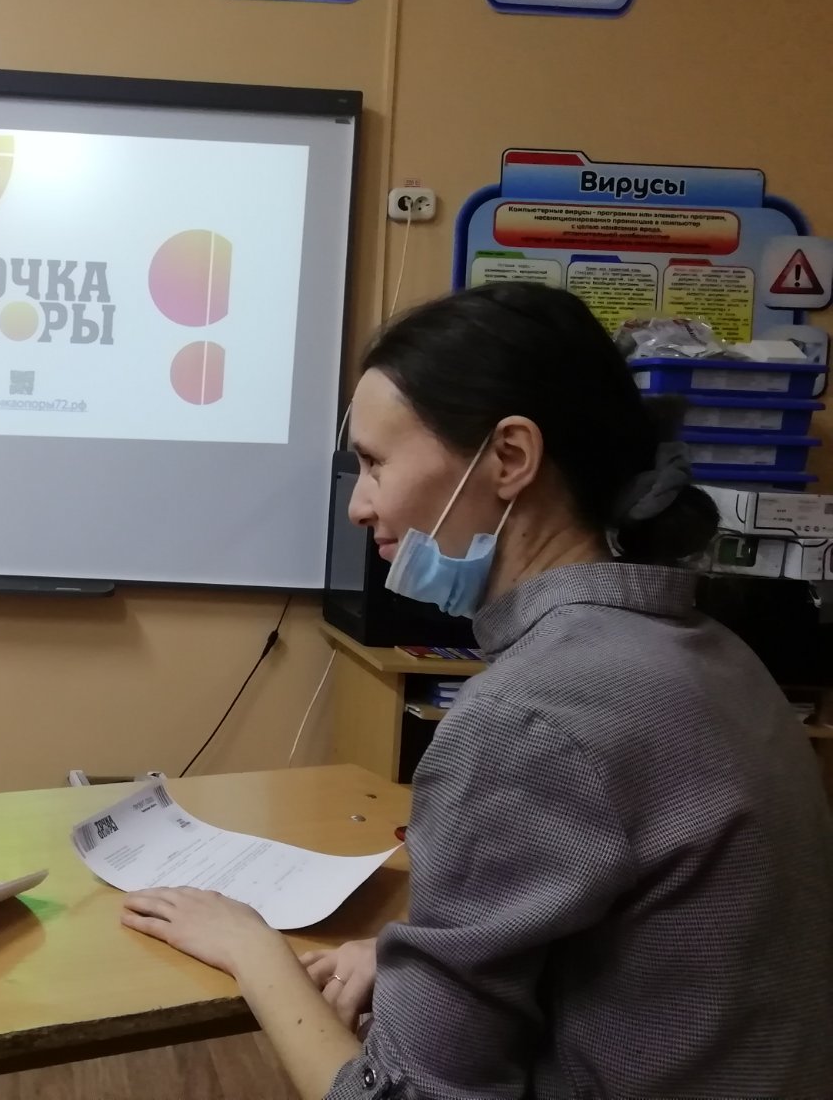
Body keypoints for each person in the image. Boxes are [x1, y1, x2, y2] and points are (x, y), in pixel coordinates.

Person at [121, 283, 833, 1099]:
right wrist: (415, 958)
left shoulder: (526, 717)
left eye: (376, 464)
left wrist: (253, 949)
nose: (359, 505)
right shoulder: (716, 654)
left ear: (510, 458)